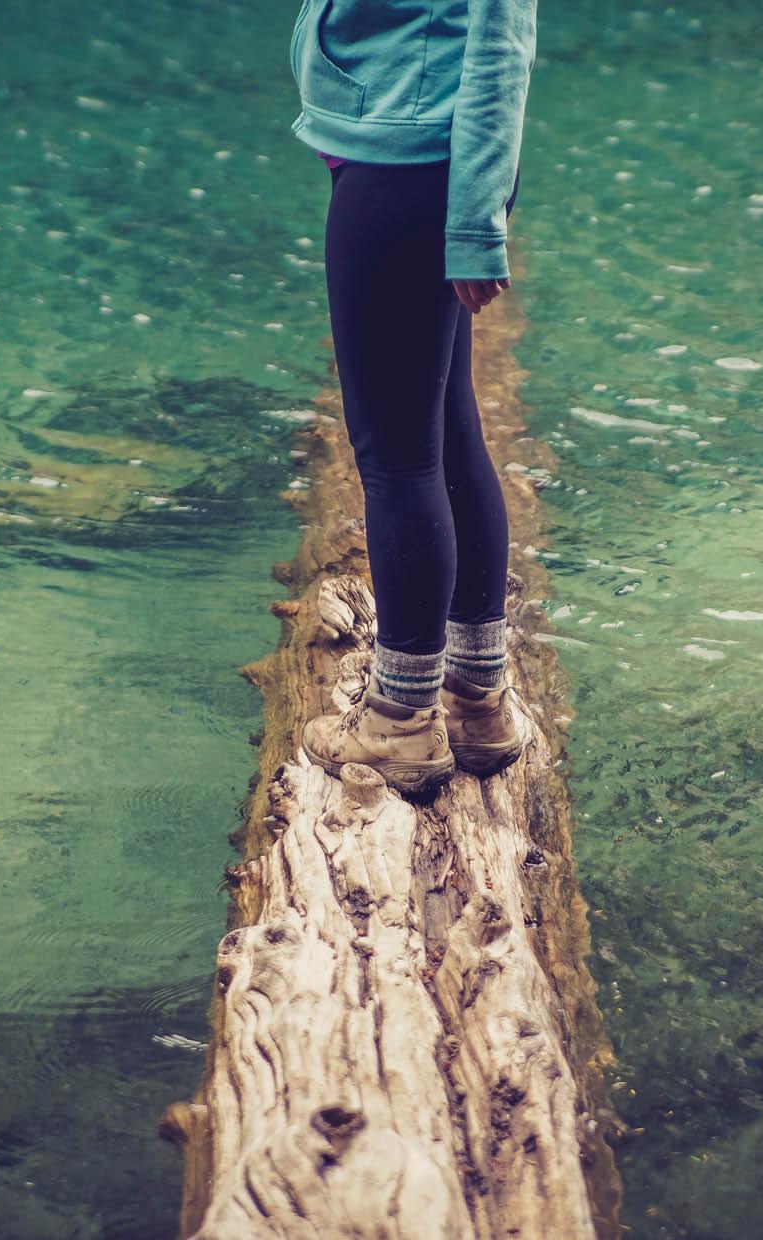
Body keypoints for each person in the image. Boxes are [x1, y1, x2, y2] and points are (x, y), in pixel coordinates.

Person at [288, 0, 539, 797]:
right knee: (447, 425)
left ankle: (400, 718)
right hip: (409, 154)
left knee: (394, 456)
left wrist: (473, 226)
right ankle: (477, 699)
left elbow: (503, 47)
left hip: (412, 166)